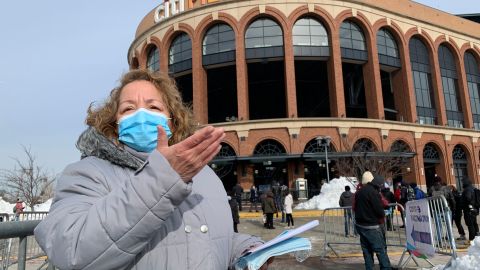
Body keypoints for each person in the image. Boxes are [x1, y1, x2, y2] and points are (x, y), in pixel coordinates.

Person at [34, 70, 273, 270]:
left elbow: (214, 239)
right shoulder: (88, 172)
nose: (141, 115)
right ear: (114, 123)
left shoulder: (205, 175)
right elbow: (71, 250)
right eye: (128, 109)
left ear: (172, 119)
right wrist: (164, 177)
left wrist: (247, 250)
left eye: (153, 106)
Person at [354, 174, 392, 270]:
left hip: (360, 225)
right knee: (380, 250)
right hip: (372, 226)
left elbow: (355, 207)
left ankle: (369, 268)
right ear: (379, 185)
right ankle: (386, 268)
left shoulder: (359, 192)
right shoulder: (373, 193)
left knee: (367, 251)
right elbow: (379, 210)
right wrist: (383, 214)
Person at [461, 177, 479, 244]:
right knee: (474, 224)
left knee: (470, 225)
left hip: (469, 210)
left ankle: (472, 240)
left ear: (466, 182)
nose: (462, 183)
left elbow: (468, 198)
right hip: (474, 209)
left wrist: (464, 203)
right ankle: (476, 238)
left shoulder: (467, 189)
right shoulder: (472, 188)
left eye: (463, 182)